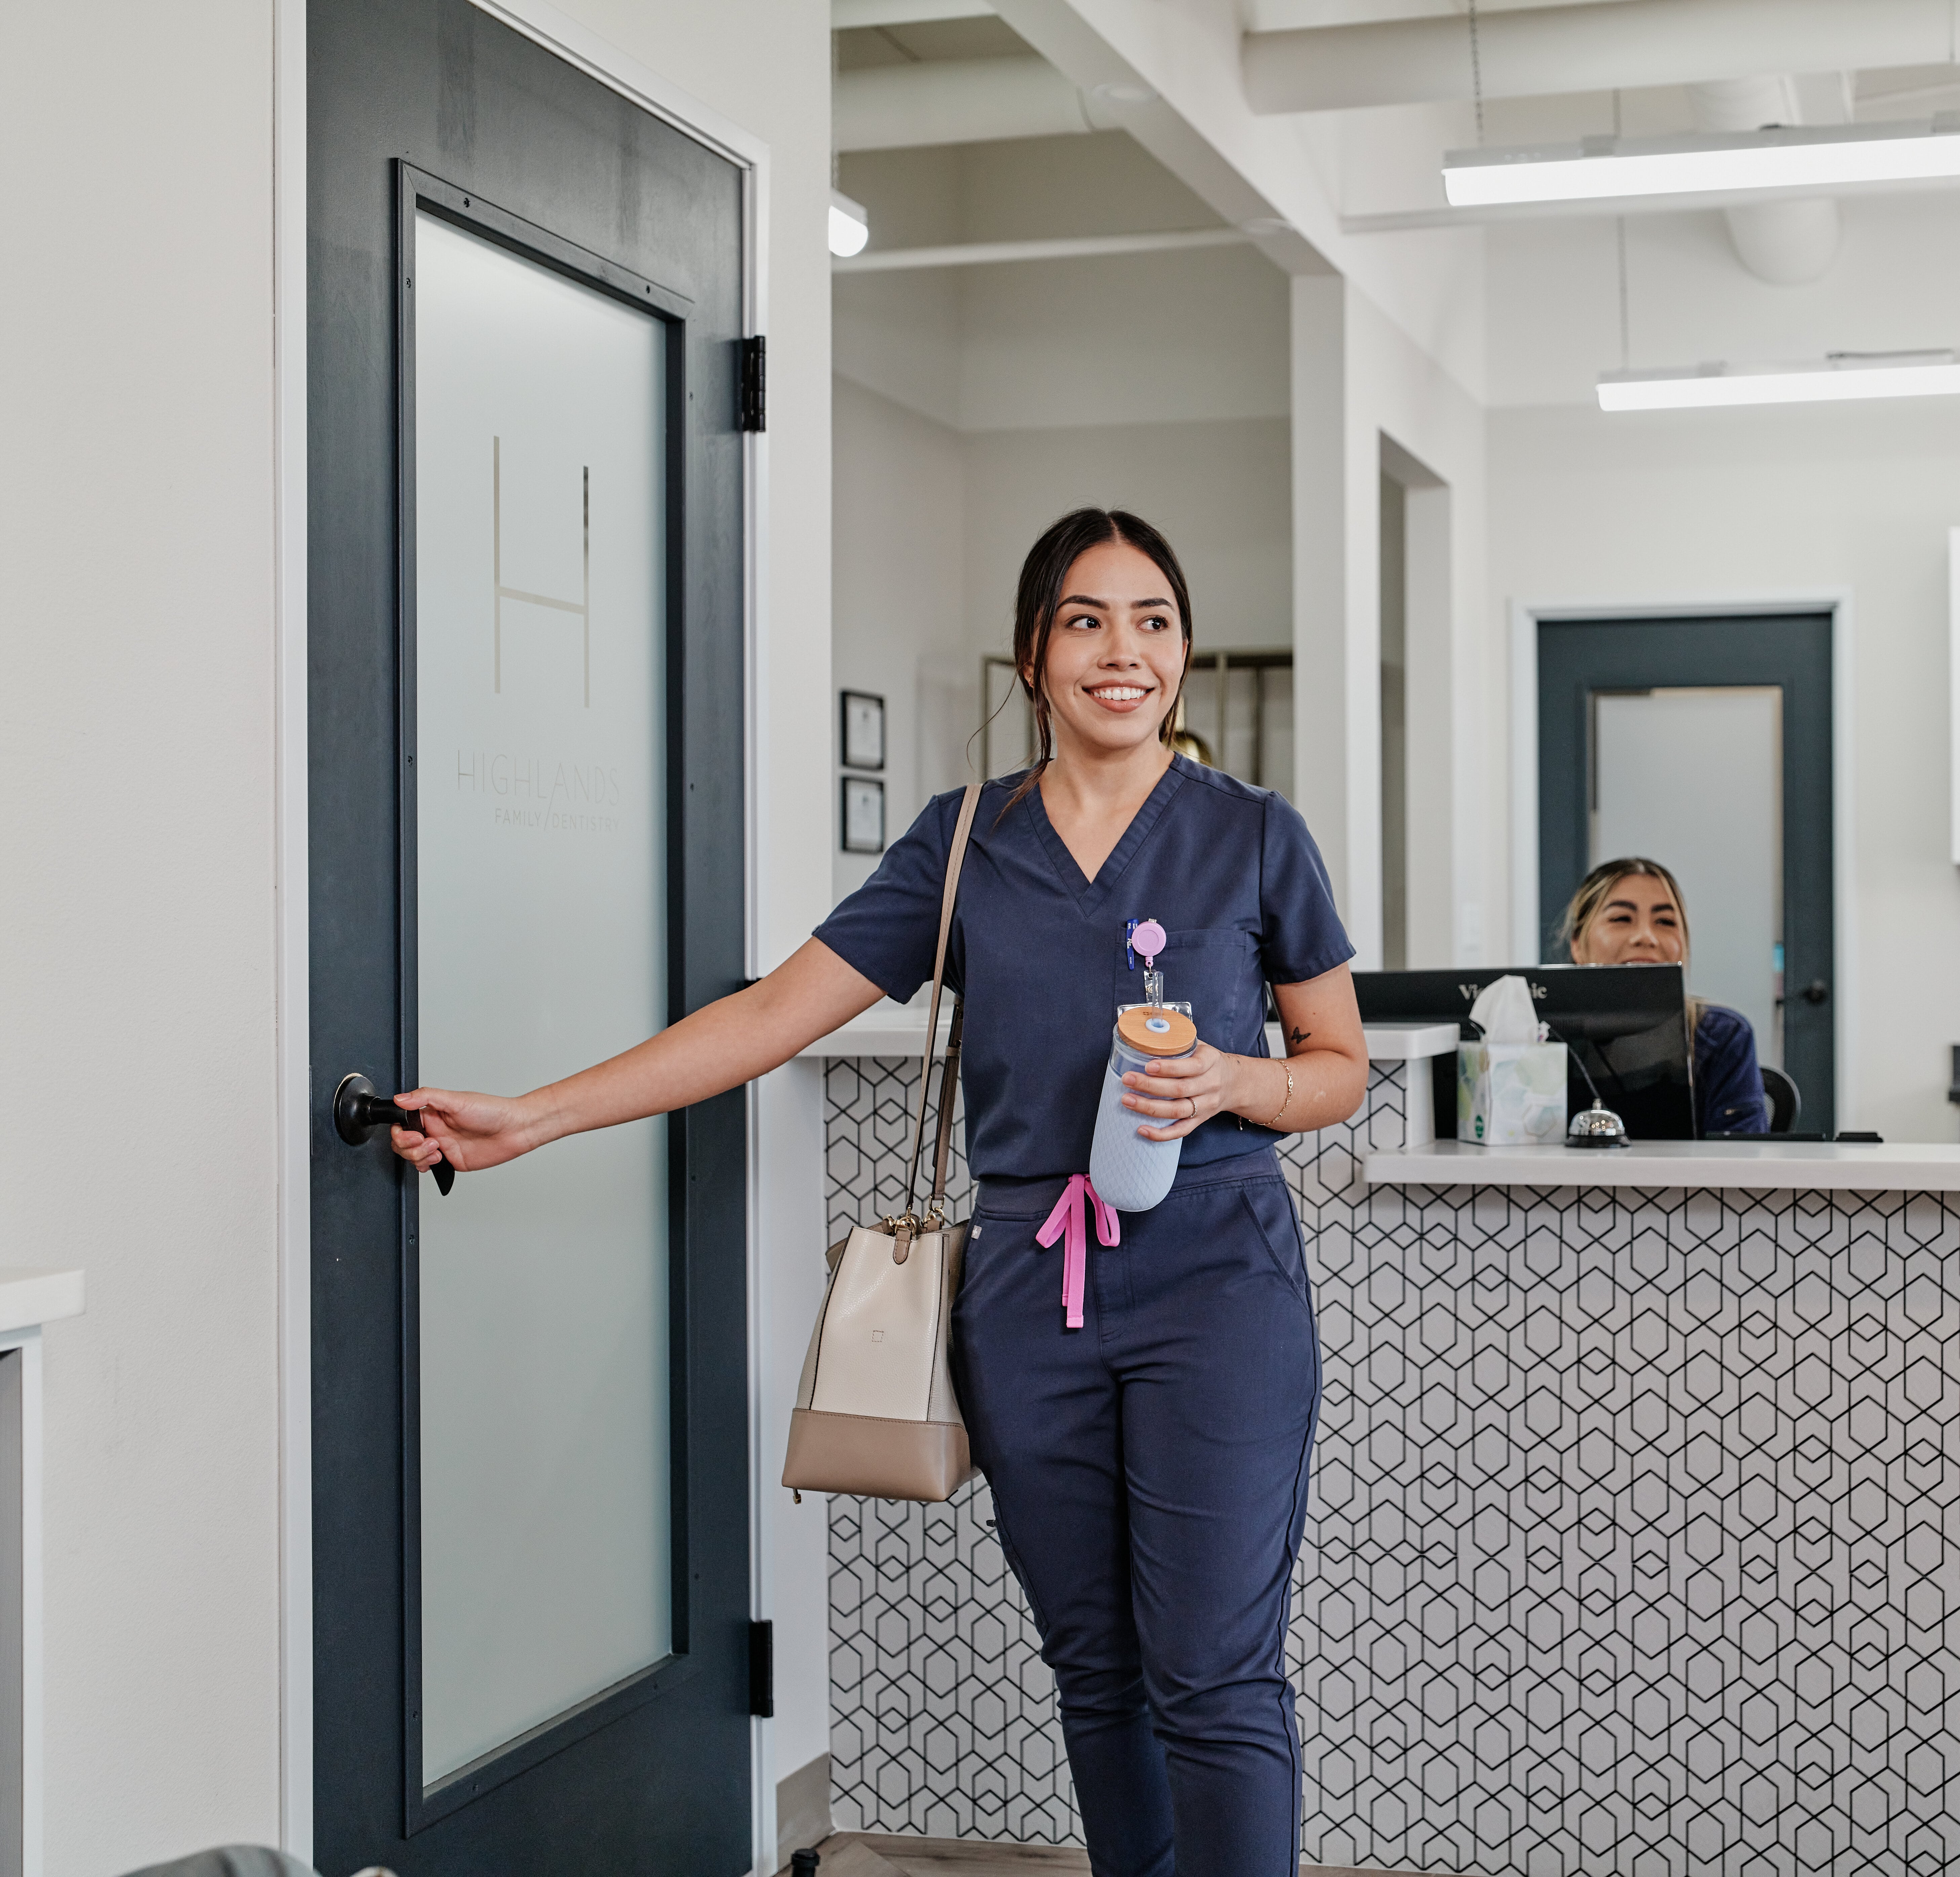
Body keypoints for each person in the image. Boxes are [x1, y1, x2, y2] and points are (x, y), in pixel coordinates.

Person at [384, 508, 1368, 1877]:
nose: (1122, 652)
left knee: (1212, 1668)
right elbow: (770, 1015)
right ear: (1032, 655)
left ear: (1183, 650)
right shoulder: (964, 844)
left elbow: (1337, 1066)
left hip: (1218, 1279)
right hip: (1028, 1292)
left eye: (1152, 621)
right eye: (1085, 621)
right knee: (1096, 1667)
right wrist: (536, 1116)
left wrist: (1233, 1081)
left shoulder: (1253, 834)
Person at [1559, 856, 1768, 1135]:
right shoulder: (1538, 1037)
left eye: (1665, 922)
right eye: (1622, 919)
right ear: (1577, 944)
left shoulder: (1723, 1036)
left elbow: (1741, 1156)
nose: (1646, 937)